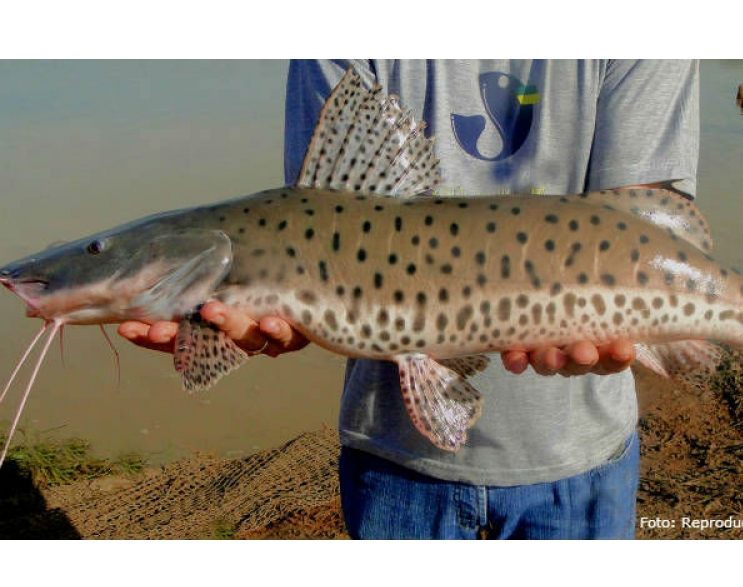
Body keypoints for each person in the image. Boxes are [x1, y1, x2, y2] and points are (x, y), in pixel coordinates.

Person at [119, 59, 699, 539]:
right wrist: (256, 327)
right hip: (396, 464)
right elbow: (314, 229)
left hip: (581, 462)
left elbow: (651, 224)